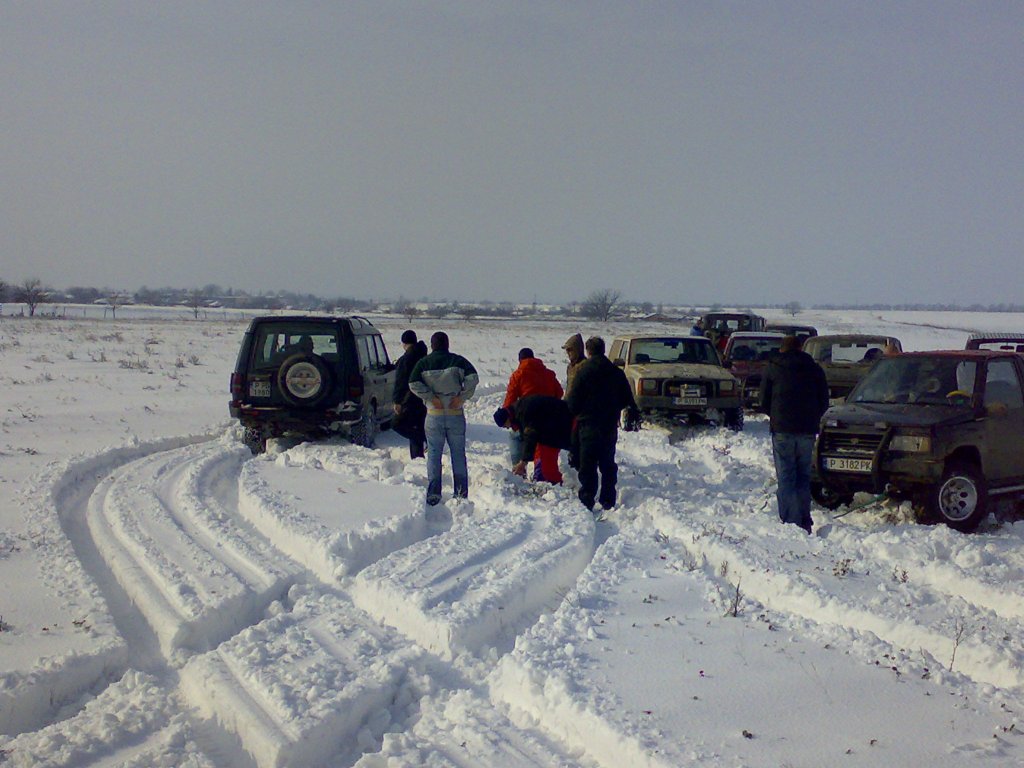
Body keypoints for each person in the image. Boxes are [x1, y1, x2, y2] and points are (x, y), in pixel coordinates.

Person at [758, 335, 830, 533]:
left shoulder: (773, 368)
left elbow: (763, 400)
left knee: (786, 476)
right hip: (807, 430)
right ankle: (804, 520)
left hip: (782, 429)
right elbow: (824, 400)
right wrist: (812, 417)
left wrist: (776, 416)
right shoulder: (814, 368)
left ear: (782, 349)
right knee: (803, 476)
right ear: (801, 349)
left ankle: (791, 522)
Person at [565, 336, 641, 513]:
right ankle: (608, 499)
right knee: (607, 463)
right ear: (603, 350)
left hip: (588, 424)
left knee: (588, 464)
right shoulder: (615, 372)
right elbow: (626, 399)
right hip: (608, 424)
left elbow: (573, 402)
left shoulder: (583, 372)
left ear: (588, 351)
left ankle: (587, 498)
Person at [409, 332, 479, 505]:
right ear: (448, 344)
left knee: (434, 454)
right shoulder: (458, 361)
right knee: (458, 454)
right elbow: (473, 378)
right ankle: (461, 494)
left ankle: (434, 494)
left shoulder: (423, 363)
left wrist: (431, 397)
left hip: (434, 414)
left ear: (432, 345)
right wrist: (461, 397)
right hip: (455, 413)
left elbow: (412, 383)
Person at [501, 348, 563, 470]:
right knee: (542, 450)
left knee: (515, 436)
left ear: (520, 360)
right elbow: (559, 393)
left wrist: (510, 420)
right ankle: (540, 472)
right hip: (549, 420)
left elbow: (510, 401)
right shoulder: (549, 374)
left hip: (528, 419)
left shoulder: (518, 375)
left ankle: (518, 471)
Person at [494, 395, 572, 484]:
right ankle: (554, 483)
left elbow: (530, 436)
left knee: (548, 465)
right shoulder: (517, 410)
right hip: (553, 428)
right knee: (546, 465)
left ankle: (555, 485)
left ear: (507, 418)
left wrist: (523, 462)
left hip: (561, 425)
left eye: (505, 425)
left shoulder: (523, 413)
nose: (507, 428)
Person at [391, 329, 428, 459]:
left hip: (409, 399)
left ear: (404, 343)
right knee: (417, 425)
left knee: (397, 424)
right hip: (424, 397)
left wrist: (397, 401)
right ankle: (418, 455)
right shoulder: (423, 355)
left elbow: (401, 381)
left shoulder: (407, 359)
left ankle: (424, 441)